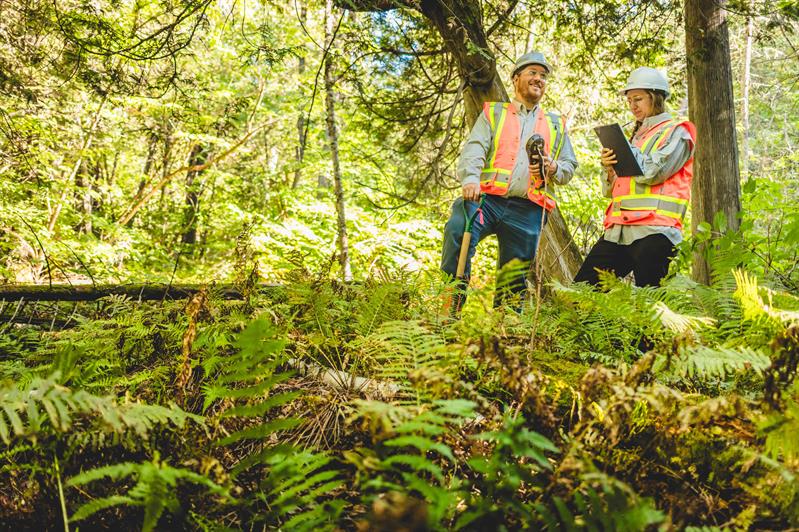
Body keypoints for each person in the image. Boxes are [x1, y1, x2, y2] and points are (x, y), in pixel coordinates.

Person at [441, 51, 578, 312]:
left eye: (543, 75)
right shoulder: (495, 113)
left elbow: (569, 168)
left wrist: (554, 167)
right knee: (458, 230)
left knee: (513, 276)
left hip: (528, 208)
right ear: (515, 79)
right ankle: (449, 308)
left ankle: (505, 336)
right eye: (532, 73)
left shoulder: (555, 124)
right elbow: (475, 147)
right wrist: (470, 178)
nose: (539, 79)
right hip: (485, 200)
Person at [574, 67, 696, 288]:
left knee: (650, 305)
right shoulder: (635, 137)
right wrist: (608, 168)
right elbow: (608, 192)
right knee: (581, 291)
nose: (633, 106)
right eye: (629, 100)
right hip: (619, 231)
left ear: (656, 97)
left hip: (656, 232)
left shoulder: (678, 132)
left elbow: (654, 173)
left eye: (638, 99)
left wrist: (627, 151)